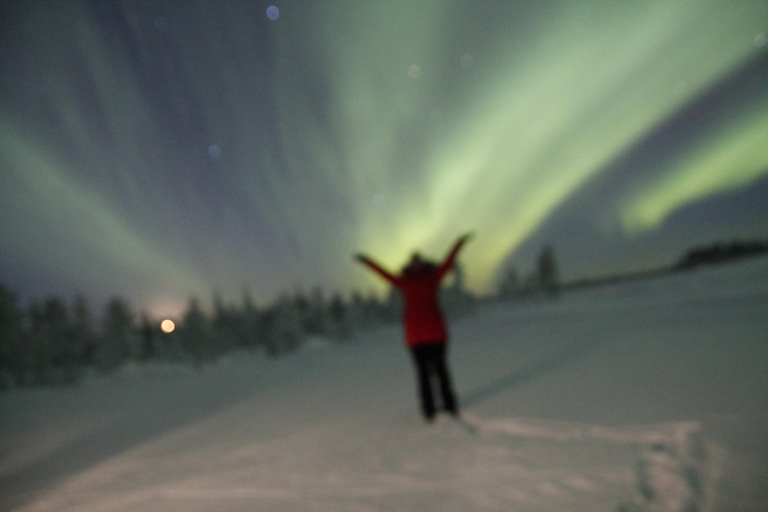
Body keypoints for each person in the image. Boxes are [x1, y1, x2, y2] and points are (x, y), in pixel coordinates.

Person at [355, 233, 473, 422]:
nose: (416, 265)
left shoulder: (432, 277)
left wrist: (459, 243)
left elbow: (447, 262)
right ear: (409, 265)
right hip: (415, 338)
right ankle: (429, 411)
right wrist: (367, 261)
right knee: (423, 376)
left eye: (418, 262)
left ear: (422, 264)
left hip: (436, 335)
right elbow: (383, 273)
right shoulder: (405, 282)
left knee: (441, 372)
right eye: (413, 263)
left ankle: (450, 406)